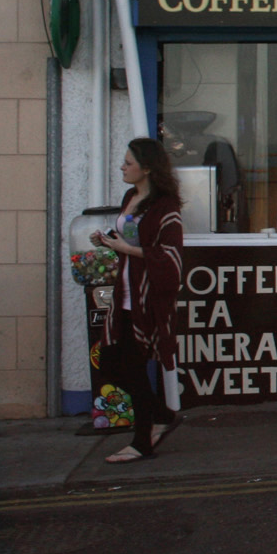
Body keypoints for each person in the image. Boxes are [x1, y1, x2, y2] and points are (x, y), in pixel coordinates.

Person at [90, 138, 184, 463]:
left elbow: (170, 256)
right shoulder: (130, 197)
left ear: (146, 168)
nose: (122, 166)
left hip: (146, 299)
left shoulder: (165, 206)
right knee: (109, 362)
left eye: (128, 162)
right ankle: (162, 414)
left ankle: (143, 440)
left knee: (131, 367)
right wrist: (107, 241)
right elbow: (129, 239)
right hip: (123, 295)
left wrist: (125, 249)